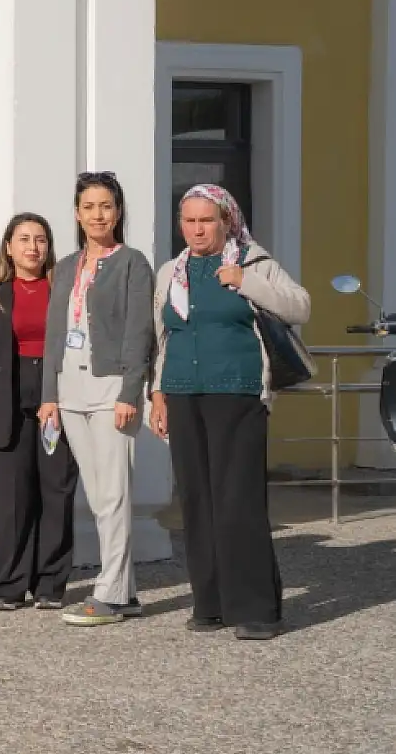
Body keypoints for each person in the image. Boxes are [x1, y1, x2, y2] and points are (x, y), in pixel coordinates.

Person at [150, 186, 309, 641]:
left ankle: (258, 609)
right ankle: (211, 604)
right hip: (183, 393)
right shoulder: (170, 272)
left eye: (206, 220)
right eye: (189, 220)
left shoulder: (254, 263)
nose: (197, 229)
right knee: (197, 502)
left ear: (226, 222)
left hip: (237, 394)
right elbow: (164, 338)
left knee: (238, 501)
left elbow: (302, 305)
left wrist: (245, 281)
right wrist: (157, 393)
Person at [41, 171, 156, 627]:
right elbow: (55, 332)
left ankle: (110, 593)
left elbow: (138, 333)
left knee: (113, 495)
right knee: (96, 495)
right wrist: (49, 395)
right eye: (88, 207)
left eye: (105, 206)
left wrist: (132, 390)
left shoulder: (132, 262)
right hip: (70, 393)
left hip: (112, 391)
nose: (97, 215)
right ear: (76, 213)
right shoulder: (66, 265)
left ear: (118, 210)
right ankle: (123, 593)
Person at [0, 214, 77, 611]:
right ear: (8, 247)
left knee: (55, 495)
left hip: (56, 402)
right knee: (10, 502)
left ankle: (49, 585)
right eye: (24, 239)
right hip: (5, 404)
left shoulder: (65, 289)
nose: (33, 247)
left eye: (41, 239)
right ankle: (10, 585)